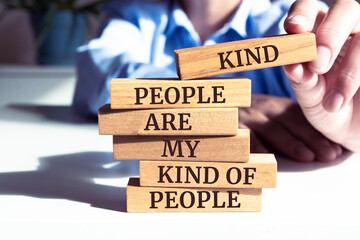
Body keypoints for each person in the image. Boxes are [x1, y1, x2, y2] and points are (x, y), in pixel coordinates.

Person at [73, 0, 360, 162]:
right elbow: (97, 73)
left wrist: (350, 118)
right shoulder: (135, 15)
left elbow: (324, 89)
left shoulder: (296, 25)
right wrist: (209, 99)